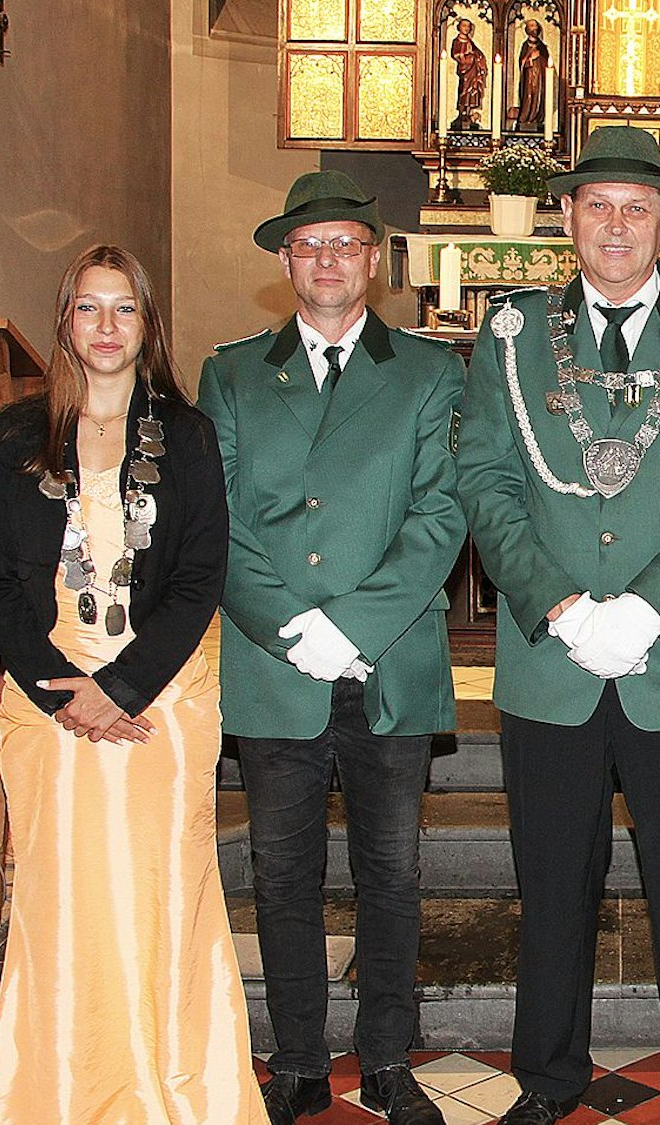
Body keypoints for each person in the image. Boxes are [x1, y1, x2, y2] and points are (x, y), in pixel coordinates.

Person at [454, 126, 660, 1125]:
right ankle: (548, 1079)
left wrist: (648, 607)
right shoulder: (509, 332)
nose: (616, 226)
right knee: (551, 887)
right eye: (596, 205)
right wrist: (556, 602)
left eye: (637, 208)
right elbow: (485, 480)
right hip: (552, 662)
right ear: (565, 218)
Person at [0, 245, 267, 1124]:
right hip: (48, 694)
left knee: (162, 891)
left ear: (148, 323)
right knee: (63, 897)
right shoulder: (21, 435)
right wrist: (64, 690)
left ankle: (177, 1088)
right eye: (89, 309)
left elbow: (201, 573)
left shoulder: (187, 433)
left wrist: (123, 688)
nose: (106, 327)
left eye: (124, 309)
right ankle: (57, 1090)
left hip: (161, 695)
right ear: (65, 319)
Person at [198, 170, 467, 1125]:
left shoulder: (432, 372)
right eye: (309, 245)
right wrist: (289, 627)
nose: (327, 260)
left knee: (392, 870)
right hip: (276, 670)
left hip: (387, 658)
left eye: (346, 244)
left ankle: (389, 1059)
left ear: (376, 262)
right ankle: (301, 1061)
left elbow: (443, 512)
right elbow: (214, 521)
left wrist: (349, 625)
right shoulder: (231, 373)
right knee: (282, 873)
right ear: (285, 261)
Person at [450, 17, 489, 130]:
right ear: (459, 27)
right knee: (463, 90)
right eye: (464, 26)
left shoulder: (469, 42)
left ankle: (468, 113)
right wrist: (464, 56)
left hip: (472, 70)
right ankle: (461, 114)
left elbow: (477, 53)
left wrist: (476, 56)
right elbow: (455, 54)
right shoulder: (456, 41)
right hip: (464, 70)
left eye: (468, 26)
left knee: (471, 91)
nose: (466, 28)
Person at [514, 20, 550, 133]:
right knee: (528, 96)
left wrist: (540, 59)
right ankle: (525, 118)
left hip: (539, 78)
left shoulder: (542, 47)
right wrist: (530, 59)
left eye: (535, 25)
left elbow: (548, 63)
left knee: (538, 97)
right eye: (531, 26)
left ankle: (536, 118)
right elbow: (521, 62)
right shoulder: (525, 45)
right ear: (527, 29)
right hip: (528, 77)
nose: (534, 28)